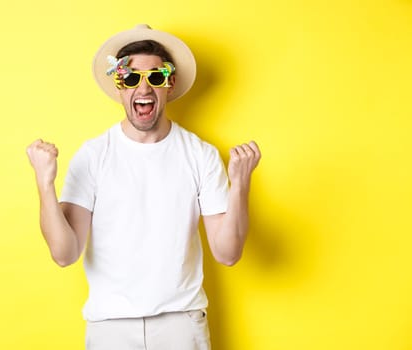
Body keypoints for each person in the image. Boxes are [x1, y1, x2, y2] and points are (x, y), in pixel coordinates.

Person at [26, 24, 261, 350]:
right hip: (110, 328)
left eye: (156, 76)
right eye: (132, 78)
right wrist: (44, 182)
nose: (144, 87)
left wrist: (241, 184)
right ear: (119, 85)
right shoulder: (93, 155)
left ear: (170, 82)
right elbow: (64, 254)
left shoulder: (200, 154)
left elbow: (228, 253)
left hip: (182, 323)